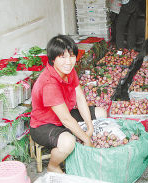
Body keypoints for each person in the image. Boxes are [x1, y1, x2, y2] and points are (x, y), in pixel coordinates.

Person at [30, 35, 107, 173]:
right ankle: (53, 166)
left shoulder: (69, 71)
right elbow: (66, 119)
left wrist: (89, 127)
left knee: (101, 112)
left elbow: (80, 97)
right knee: (68, 142)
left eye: (71, 56)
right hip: (44, 125)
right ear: (53, 59)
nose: (69, 62)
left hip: (63, 114)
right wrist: (86, 139)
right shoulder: (49, 83)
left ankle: (81, 143)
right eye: (62, 57)